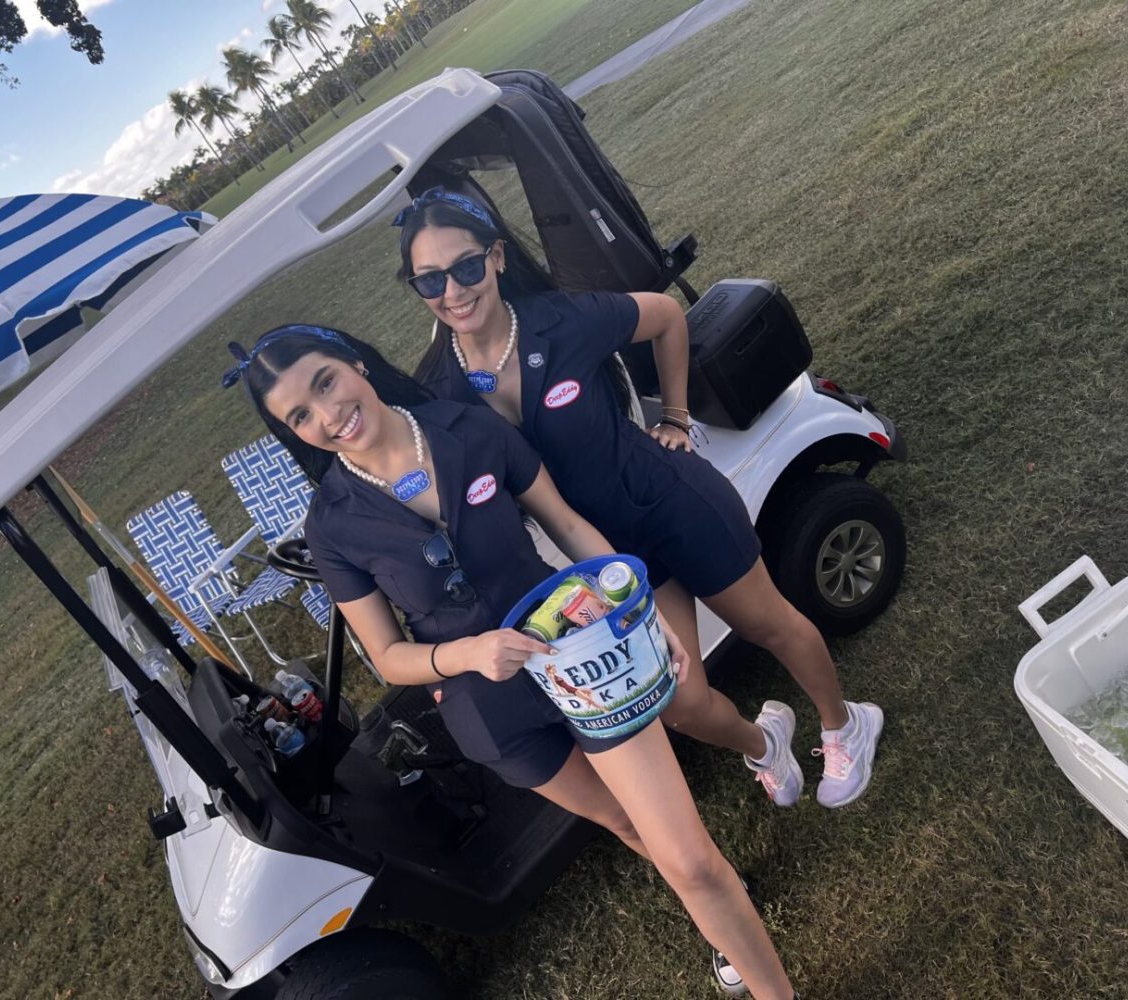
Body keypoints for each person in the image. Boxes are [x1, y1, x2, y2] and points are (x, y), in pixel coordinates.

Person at [225, 323, 799, 1000]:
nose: (327, 415)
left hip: (580, 661)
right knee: (622, 824)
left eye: (325, 382)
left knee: (689, 859)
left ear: (355, 361)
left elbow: (567, 524)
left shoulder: (466, 428)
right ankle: (722, 920)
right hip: (492, 711)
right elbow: (387, 657)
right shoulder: (332, 524)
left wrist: (636, 607)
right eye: (299, 416)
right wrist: (466, 653)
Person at [397, 187, 884, 818]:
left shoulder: (563, 320)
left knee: (768, 624)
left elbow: (667, 317)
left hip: (670, 500)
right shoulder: (438, 394)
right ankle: (766, 743)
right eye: (429, 280)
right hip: (605, 557)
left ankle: (845, 725)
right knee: (677, 702)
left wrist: (675, 417)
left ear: (494, 257)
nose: (453, 293)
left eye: (464, 268)